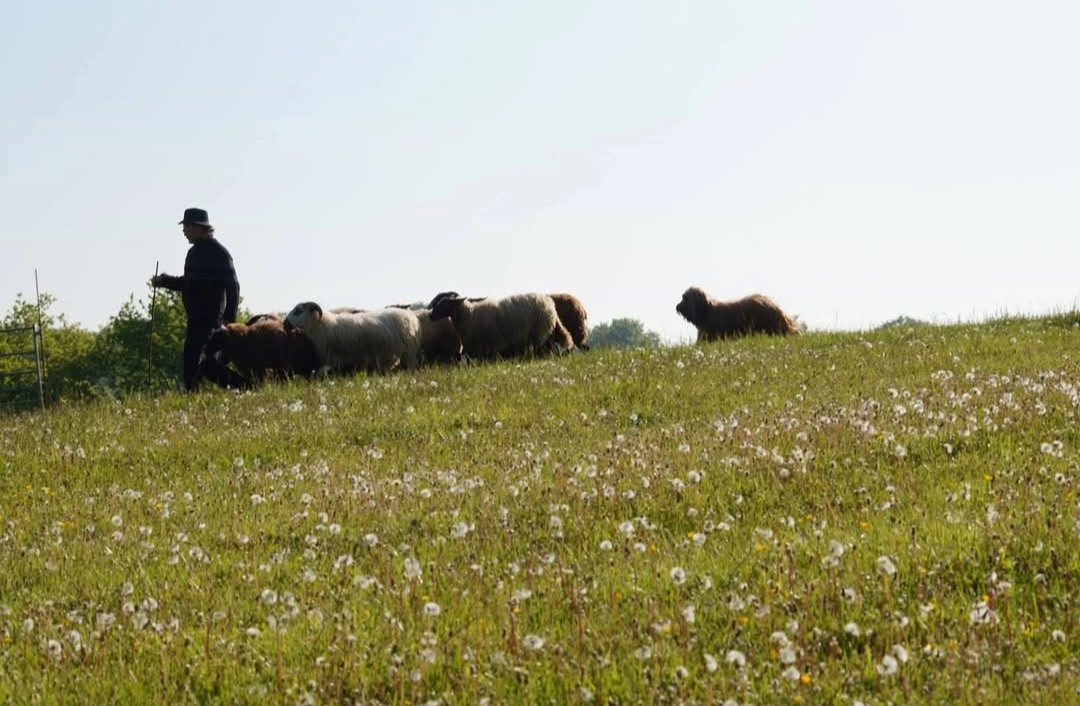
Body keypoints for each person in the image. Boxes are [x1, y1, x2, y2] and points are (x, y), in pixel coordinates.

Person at [152, 207, 247, 391]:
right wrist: (164, 281)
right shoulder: (193, 254)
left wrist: (230, 317)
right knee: (202, 363)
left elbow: (233, 286)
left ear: (199, 227)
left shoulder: (219, 253)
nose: (184, 230)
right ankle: (243, 388)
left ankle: (194, 394)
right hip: (194, 318)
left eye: (187, 226)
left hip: (210, 318)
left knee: (194, 359)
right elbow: (188, 283)